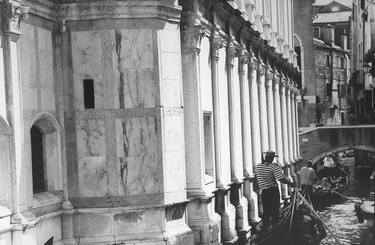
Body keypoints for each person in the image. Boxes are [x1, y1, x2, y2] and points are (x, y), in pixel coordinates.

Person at [254, 151, 296, 229]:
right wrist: (291, 184)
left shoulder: (258, 167)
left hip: (264, 192)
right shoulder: (273, 167)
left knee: (266, 210)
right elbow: (280, 178)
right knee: (275, 209)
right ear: (272, 158)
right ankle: (275, 226)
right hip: (273, 191)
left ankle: (266, 227)